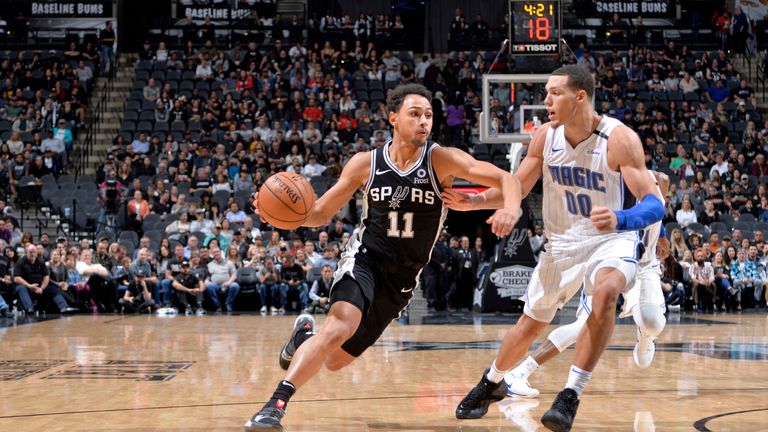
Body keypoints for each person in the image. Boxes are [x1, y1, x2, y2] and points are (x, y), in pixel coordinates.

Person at [244, 83, 521, 430]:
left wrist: (508, 208)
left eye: (428, 115)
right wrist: (277, 216)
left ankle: (303, 338)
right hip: (365, 259)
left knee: (335, 360)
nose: (424, 121)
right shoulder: (366, 163)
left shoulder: (442, 160)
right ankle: (274, 406)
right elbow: (319, 213)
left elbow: (507, 179)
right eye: (415, 114)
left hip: (402, 279)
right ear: (393, 118)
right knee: (340, 327)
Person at [445, 65, 663, 431]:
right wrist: (476, 201)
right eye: (546, 93)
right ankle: (492, 381)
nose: (545, 100)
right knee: (530, 325)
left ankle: (570, 394)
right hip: (561, 243)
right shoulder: (545, 137)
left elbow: (654, 204)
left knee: (607, 291)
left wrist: (621, 218)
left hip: (609, 238)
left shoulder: (619, 139)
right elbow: (518, 186)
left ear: (580, 96)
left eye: (554, 93)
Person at [502, 170, 670, 399]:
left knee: (651, 322)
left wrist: (662, 236)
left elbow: (656, 212)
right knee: (583, 326)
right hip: (609, 259)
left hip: (644, 265)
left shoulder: (658, 180)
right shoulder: (600, 186)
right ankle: (519, 373)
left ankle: (645, 335)